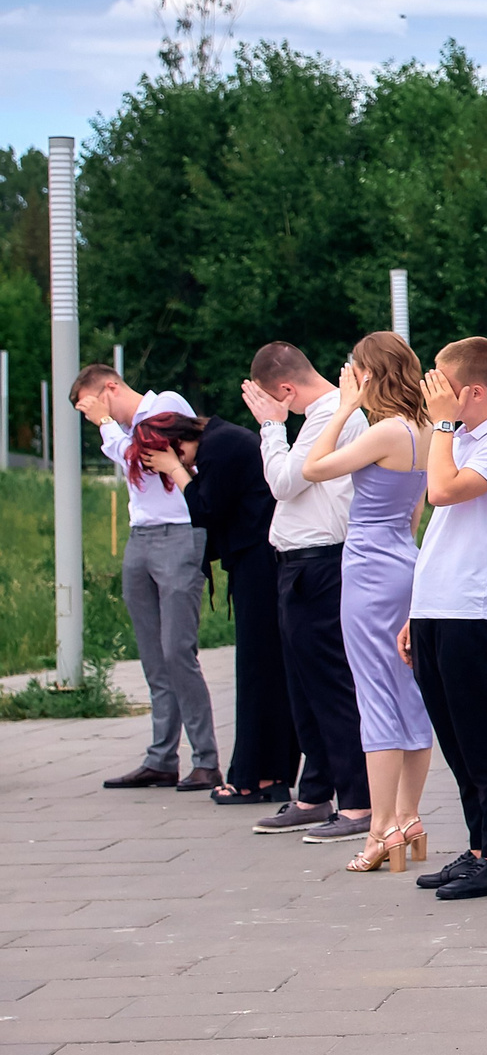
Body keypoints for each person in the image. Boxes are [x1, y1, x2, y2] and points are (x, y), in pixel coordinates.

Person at [403, 337, 487, 901]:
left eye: (440, 383)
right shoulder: (455, 438)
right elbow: (437, 534)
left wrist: (439, 428)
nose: (431, 392)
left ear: (473, 391)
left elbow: (442, 494)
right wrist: (416, 610)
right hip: (436, 606)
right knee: (455, 739)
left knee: (483, 737)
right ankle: (479, 846)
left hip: (474, 611)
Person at [300, 333, 435, 874]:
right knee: (410, 691)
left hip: (368, 566)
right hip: (404, 559)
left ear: (370, 375)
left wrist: (342, 408)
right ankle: (409, 818)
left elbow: (312, 467)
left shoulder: (384, 431)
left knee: (376, 694)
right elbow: (415, 514)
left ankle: (380, 829)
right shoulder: (426, 429)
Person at [241, 343, 372, 845]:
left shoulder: (333, 417)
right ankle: (315, 791)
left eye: (277, 402)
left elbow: (283, 483)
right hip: (296, 565)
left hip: (322, 564)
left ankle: (357, 802)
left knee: (331, 686)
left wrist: (272, 428)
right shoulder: (320, 415)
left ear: (286, 390)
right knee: (302, 687)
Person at [127, 412, 288, 809]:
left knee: (256, 672)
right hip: (260, 561)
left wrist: (175, 470)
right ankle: (269, 772)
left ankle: (251, 778)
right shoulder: (224, 439)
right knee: (266, 671)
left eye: (173, 454)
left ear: (172, 442)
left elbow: (204, 508)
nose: (183, 463)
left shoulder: (219, 445)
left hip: (259, 564)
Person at [75, 366, 215, 791]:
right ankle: (161, 757)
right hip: (142, 535)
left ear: (111, 387)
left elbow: (140, 455)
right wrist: (105, 422)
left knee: (177, 651)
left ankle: (205, 759)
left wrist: (103, 422)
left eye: (95, 403)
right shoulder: (123, 427)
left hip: (178, 533)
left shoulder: (165, 405)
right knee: (154, 655)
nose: (98, 415)